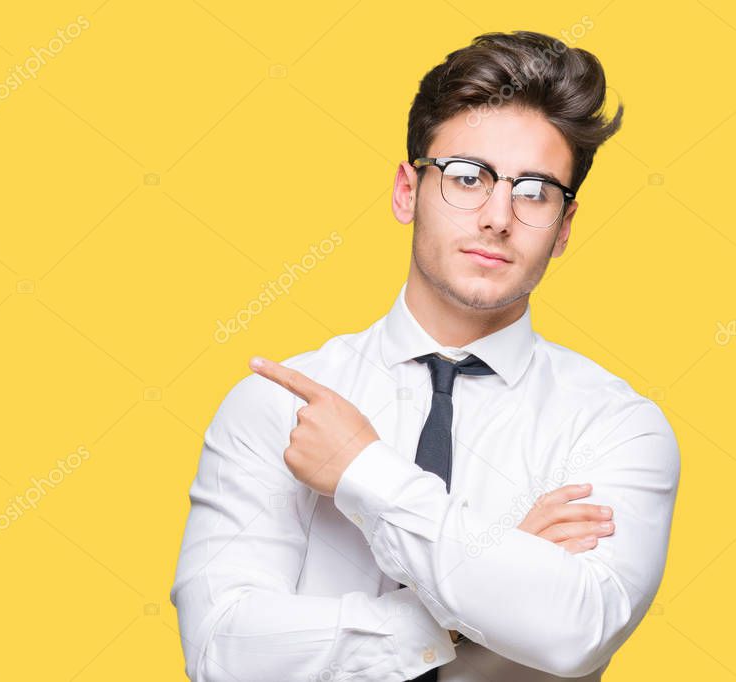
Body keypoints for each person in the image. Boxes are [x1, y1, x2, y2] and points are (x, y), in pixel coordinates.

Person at [169, 30, 680, 681]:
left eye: (533, 191)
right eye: (467, 177)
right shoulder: (279, 402)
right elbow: (223, 652)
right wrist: (470, 599)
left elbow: (574, 631)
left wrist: (362, 471)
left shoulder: (613, 427)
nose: (497, 216)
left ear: (563, 228)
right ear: (406, 192)